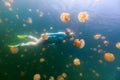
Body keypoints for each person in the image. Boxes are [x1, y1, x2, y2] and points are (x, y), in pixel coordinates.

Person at [8, 31, 74, 48]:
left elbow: (55, 43)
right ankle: (21, 45)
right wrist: (46, 34)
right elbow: (55, 33)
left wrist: (51, 45)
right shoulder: (63, 34)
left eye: (71, 37)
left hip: (47, 42)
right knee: (35, 44)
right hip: (47, 38)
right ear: (69, 34)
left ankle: (28, 36)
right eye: (71, 36)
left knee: (36, 41)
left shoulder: (64, 40)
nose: (71, 37)